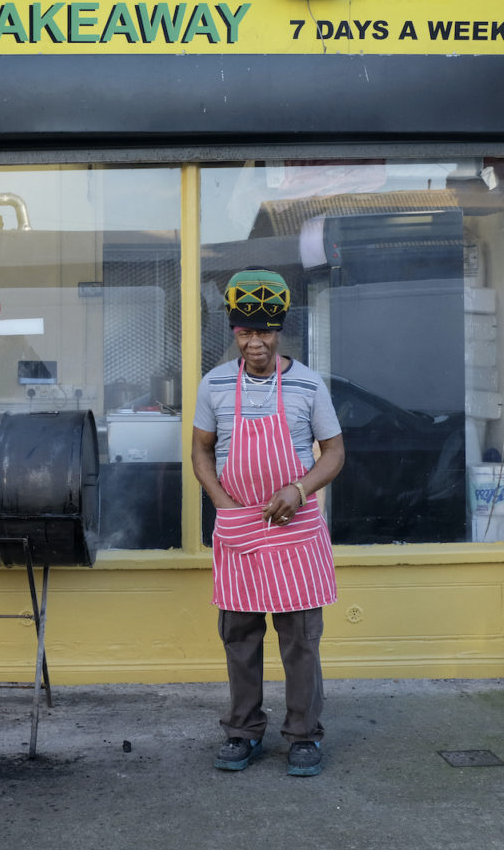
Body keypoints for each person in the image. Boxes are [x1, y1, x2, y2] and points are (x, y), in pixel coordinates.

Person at [191, 267, 345, 776]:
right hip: (240, 527)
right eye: (245, 331)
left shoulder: (307, 383)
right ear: (233, 332)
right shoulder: (213, 384)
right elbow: (200, 451)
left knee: (300, 639)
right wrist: (224, 504)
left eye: (264, 331)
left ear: (280, 332)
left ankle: (303, 736)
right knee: (239, 635)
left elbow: (334, 452)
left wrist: (299, 489)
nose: (255, 341)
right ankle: (242, 731)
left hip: (295, 528)